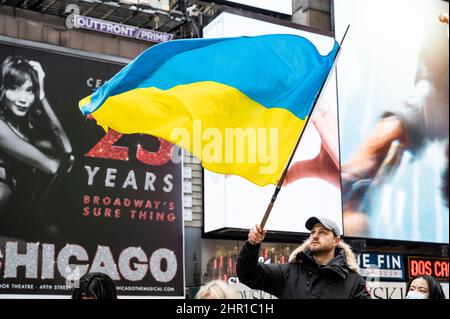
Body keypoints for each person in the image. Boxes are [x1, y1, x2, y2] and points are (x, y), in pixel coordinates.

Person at [0, 56, 73, 238]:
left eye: (30, 90)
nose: (23, 99)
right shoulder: (1, 128)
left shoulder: (21, 129)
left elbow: (67, 153)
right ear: (2, 89)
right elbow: (52, 166)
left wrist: (42, 97)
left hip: (10, 221)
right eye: (14, 88)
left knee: (52, 233)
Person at [236, 216, 371, 299]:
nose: (315, 236)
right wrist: (252, 245)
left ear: (336, 241)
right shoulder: (288, 272)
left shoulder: (354, 282)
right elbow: (248, 275)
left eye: (322, 232)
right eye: (312, 232)